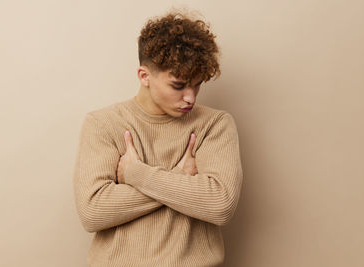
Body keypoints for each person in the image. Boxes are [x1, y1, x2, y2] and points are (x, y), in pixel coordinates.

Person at [73, 9, 243, 267]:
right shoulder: (103, 123)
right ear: (144, 76)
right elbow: (93, 212)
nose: (191, 97)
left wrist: (136, 174)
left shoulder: (214, 125)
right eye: (178, 85)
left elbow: (220, 204)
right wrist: (180, 177)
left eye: (197, 84)